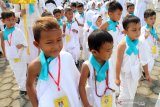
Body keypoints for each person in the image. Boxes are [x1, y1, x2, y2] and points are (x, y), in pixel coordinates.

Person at [26, 17, 82, 107]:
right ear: (37, 44)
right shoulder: (35, 65)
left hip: (70, 100)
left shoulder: (67, 57)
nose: (56, 46)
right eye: (49, 42)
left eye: (59, 40)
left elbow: (76, 79)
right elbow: (29, 86)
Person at [115, 15, 152, 107]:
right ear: (126, 31)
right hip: (125, 74)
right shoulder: (122, 45)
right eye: (134, 30)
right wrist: (116, 77)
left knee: (132, 93)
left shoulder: (140, 42)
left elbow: (144, 60)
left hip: (135, 73)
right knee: (124, 94)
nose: (138, 32)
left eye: (139, 29)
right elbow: (118, 62)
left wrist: (147, 73)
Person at [79, 30, 117, 107]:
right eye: (108, 50)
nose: (111, 52)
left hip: (108, 97)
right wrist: (86, 104)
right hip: (94, 99)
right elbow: (81, 86)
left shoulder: (109, 61)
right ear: (94, 52)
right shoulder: (87, 66)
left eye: (112, 49)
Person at [0, 11, 28, 96]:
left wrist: (22, 45)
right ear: (3, 21)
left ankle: (23, 88)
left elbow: (24, 41)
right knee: (16, 71)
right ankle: (23, 85)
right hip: (11, 56)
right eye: (8, 20)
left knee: (22, 71)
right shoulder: (3, 33)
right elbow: (2, 44)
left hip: (20, 55)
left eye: (13, 19)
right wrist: (4, 53)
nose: (11, 22)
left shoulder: (18, 30)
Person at [100, 1, 123, 93]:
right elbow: (98, 34)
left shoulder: (118, 24)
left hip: (118, 50)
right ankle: (111, 87)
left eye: (121, 14)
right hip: (110, 51)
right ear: (110, 13)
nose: (120, 16)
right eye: (118, 14)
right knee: (111, 68)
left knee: (117, 68)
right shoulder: (106, 24)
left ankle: (117, 86)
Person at [140, 9, 160, 73]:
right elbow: (140, 40)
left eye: (154, 18)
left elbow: (155, 37)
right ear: (145, 19)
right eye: (151, 18)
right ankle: (144, 73)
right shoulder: (143, 29)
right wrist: (145, 36)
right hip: (146, 51)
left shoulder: (153, 29)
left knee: (151, 62)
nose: (153, 20)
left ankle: (146, 73)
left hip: (152, 48)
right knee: (146, 63)